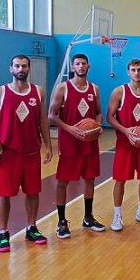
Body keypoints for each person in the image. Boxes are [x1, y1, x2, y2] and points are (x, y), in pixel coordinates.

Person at [0, 55, 53, 252]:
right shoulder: (0, 91)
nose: (20, 69)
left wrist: (48, 145)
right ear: (11, 69)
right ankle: (3, 232)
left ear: (29, 68)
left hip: (32, 151)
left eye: (24, 66)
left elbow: (42, 120)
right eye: (17, 66)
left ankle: (32, 228)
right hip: (8, 153)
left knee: (33, 192)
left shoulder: (38, 91)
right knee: (4, 194)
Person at [48, 54, 105, 238]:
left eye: (83, 64)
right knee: (62, 182)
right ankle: (61, 221)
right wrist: (70, 129)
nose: (81, 66)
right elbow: (52, 115)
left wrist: (97, 126)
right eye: (77, 64)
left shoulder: (94, 89)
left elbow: (98, 113)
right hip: (69, 143)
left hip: (89, 143)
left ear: (88, 66)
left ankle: (88, 217)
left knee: (90, 179)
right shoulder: (63, 88)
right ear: (73, 67)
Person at [107, 59, 140, 232]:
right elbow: (110, 117)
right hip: (125, 144)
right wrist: (126, 131)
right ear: (128, 72)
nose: (136, 73)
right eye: (133, 70)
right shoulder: (119, 91)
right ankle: (117, 215)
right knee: (120, 180)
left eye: (139, 70)